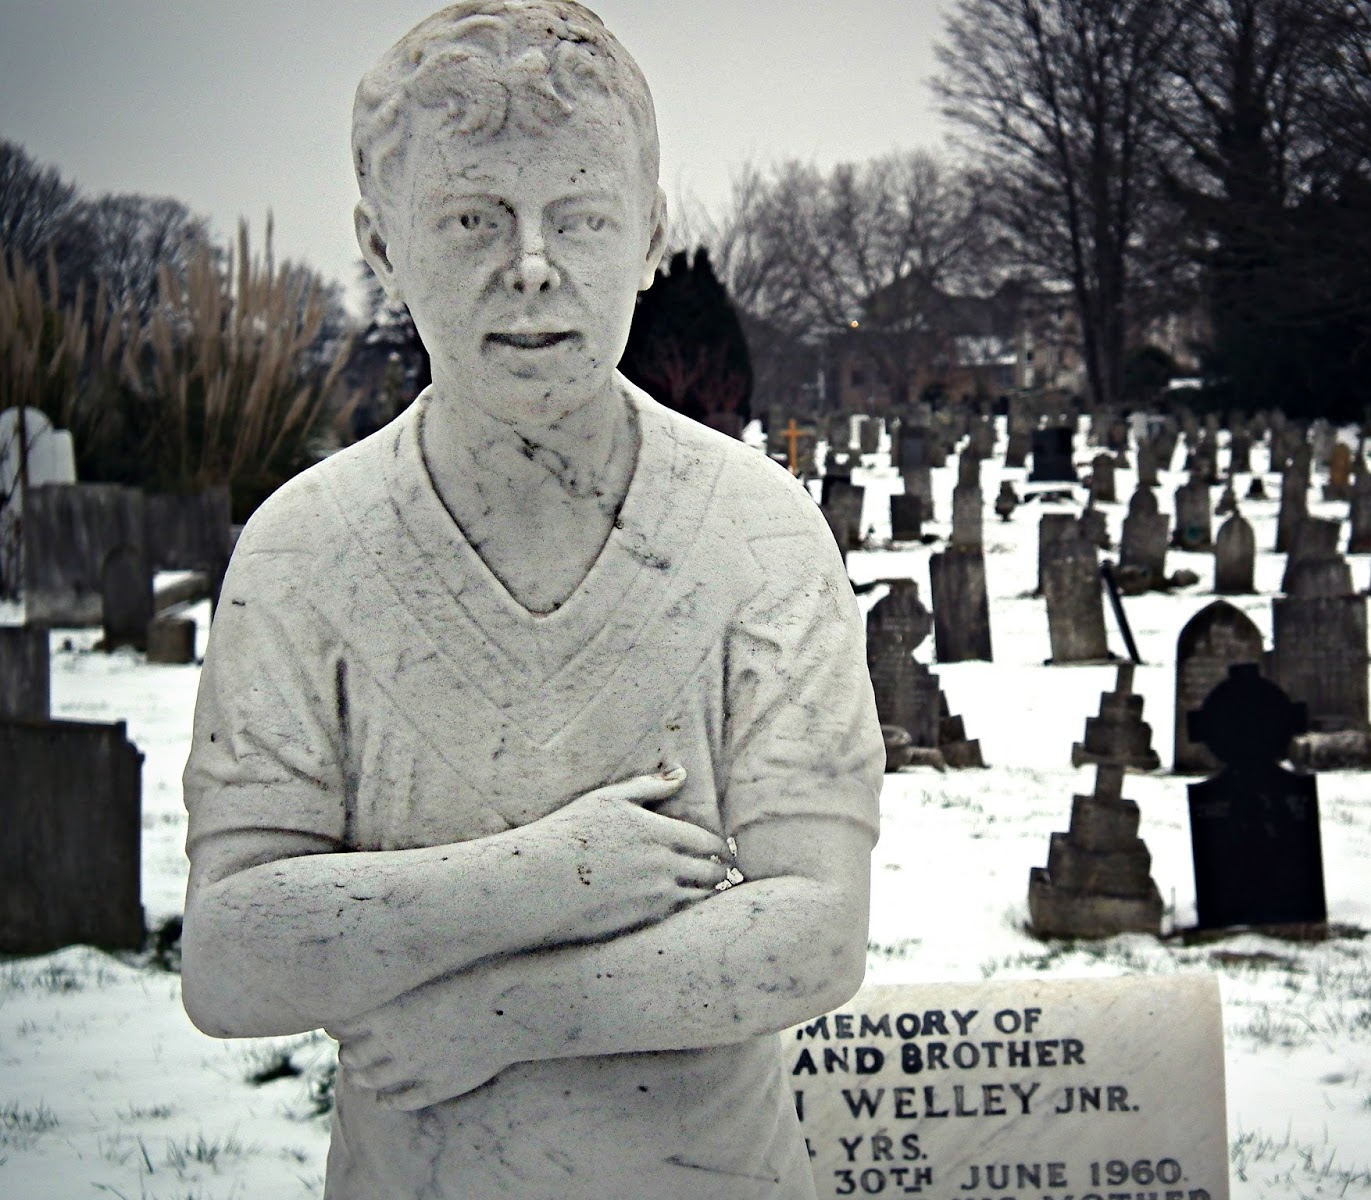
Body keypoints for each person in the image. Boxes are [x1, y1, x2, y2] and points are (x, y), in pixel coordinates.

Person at [178, 4, 883, 1197]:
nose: (534, 265)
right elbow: (233, 964)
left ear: (649, 235)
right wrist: (548, 876)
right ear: (382, 244)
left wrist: (506, 1012)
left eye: (582, 216)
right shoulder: (306, 553)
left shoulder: (759, 534)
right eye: (471, 218)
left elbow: (815, 930)